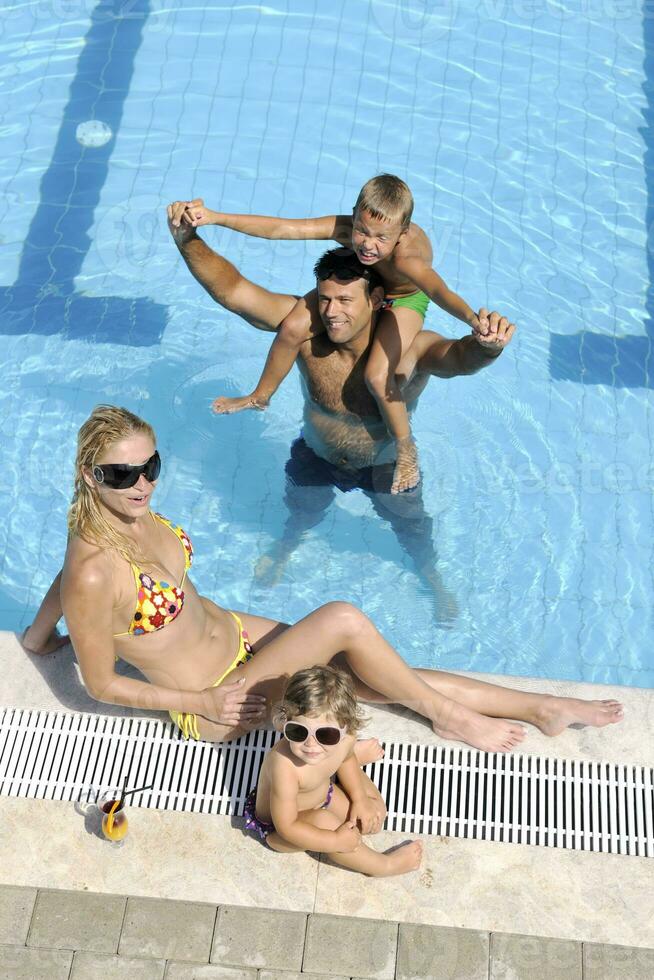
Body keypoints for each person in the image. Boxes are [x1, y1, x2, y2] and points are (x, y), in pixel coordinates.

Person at [23, 405, 624, 752]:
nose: (143, 484)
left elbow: (63, 579)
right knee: (343, 619)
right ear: (88, 472)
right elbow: (100, 683)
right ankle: (451, 716)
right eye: (123, 473)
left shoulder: (117, 518)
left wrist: (35, 635)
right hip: (213, 702)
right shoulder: (95, 572)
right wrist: (200, 700)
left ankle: (541, 706)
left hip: (234, 636)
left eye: (150, 465)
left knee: (365, 672)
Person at [180, 174, 494, 493]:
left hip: (405, 297)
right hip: (365, 288)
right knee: (292, 326)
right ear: (355, 213)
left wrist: (473, 321)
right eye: (361, 230)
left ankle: (405, 446)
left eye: (381, 238)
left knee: (378, 375)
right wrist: (216, 218)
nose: (368, 245)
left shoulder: (407, 260)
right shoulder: (351, 233)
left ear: (402, 233)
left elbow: (439, 292)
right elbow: (283, 229)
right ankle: (259, 397)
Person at [244, 665, 422, 876]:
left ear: (345, 727)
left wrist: (359, 799)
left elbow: (346, 759)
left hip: (322, 792)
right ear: (285, 724)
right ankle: (384, 866)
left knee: (374, 813)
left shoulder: (345, 740)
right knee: (326, 823)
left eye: (326, 735)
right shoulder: (285, 767)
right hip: (279, 828)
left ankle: (355, 756)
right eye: (298, 732)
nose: (310, 744)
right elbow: (287, 827)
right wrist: (334, 840)